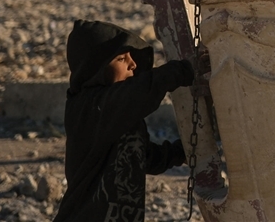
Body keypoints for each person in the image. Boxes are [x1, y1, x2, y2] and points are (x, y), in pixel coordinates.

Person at [54, 20, 194, 222]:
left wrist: (180, 152)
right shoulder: (88, 108)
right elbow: (138, 94)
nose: (133, 64)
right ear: (96, 68)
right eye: (121, 59)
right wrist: (183, 71)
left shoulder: (120, 115)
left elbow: (141, 158)